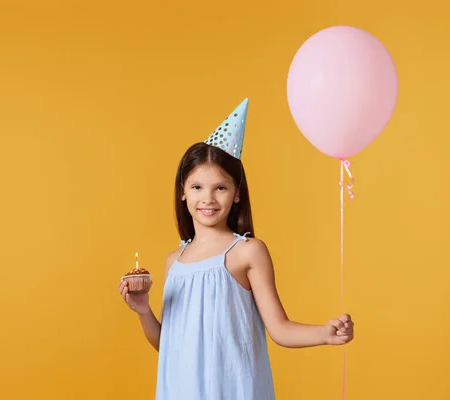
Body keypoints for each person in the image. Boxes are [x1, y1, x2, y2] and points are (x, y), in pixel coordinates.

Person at [118, 98, 354, 399]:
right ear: (182, 193)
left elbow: (279, 328)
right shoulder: (174, 261)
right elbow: (169, 346)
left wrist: (324, 333)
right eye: (197, 187)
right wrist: (143, 311)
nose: (208, 198)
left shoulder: (247, 252)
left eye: (220, 187)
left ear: (237, 194)